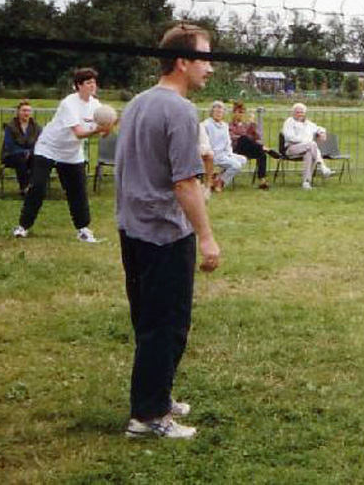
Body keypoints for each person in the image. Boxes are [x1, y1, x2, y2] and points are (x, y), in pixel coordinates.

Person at [116, 23, 221, 439]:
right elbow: (185, 182)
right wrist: (207, 237)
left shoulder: (138, 102)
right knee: (166, 325)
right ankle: (149, 417)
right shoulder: (179, 110)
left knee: (149, 321)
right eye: (204, 58)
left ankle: (157, 395)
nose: (210, 67)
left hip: (132, 230)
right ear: (182, 62)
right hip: (164, 233)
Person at [12, 68, 108, 242]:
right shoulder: (69, 104)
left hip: (71, 153)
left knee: (77, 191)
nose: (93, 86)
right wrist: (98, 129)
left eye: (94, 82)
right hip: (48, 148)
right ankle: (23, 227)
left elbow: (102, 132)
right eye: (88, 83)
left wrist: (107, 127)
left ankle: (83, 230)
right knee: (38, 187)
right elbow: (79, 133)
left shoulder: (96, 106)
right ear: (78, 85)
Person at [281, 102, 334, 189]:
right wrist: (305, 142)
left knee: (309, 154)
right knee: (312, 144)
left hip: (307, 148)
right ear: (293, 113)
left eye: (301, 112)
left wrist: (322, 132)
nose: (299, 114)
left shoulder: (307, 123)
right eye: (297, 112)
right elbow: (289, 137)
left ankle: (306, 182)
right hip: (291, 148)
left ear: (304, 113)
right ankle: (322, 166)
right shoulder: (289, 122)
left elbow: (318, 128)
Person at [201, 101, 247, 193]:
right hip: (213, 154)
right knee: (236, 165)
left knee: (243, 159)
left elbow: (227, 142)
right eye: (216, 111)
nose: (218, 114)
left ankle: (218, 177)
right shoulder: (206, 125)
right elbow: (204, 143)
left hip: (224, 153)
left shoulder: (225, 125)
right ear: (212, 112)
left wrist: (229, 153)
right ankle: (220, 182)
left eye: (221, 112)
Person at [1, 99, 40, 195]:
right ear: (18, 112)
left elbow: (39, 143)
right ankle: (24, 188)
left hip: (31, 154)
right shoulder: (10, 127)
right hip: (11, 155)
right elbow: (9, 145)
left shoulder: (36, 127)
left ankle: (34, 187)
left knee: (38, 160)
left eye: (28, 111)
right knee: (21, 159)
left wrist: (30, 152)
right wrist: (23, 152)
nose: (26, 113)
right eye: (24, 110)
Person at [229, 102, 270, 189]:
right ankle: (263, 148)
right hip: (236, 149)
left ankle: (262, 180)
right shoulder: (230, 125)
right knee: (243, 138)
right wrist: (243, 136)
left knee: (262, 154)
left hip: (248, 149)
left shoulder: (246, 125)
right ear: (234, 113)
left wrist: (252, 124)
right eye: (238, 112)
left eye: (242, 112)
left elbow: (256, 137)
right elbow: (231, 137)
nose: (240, 114)